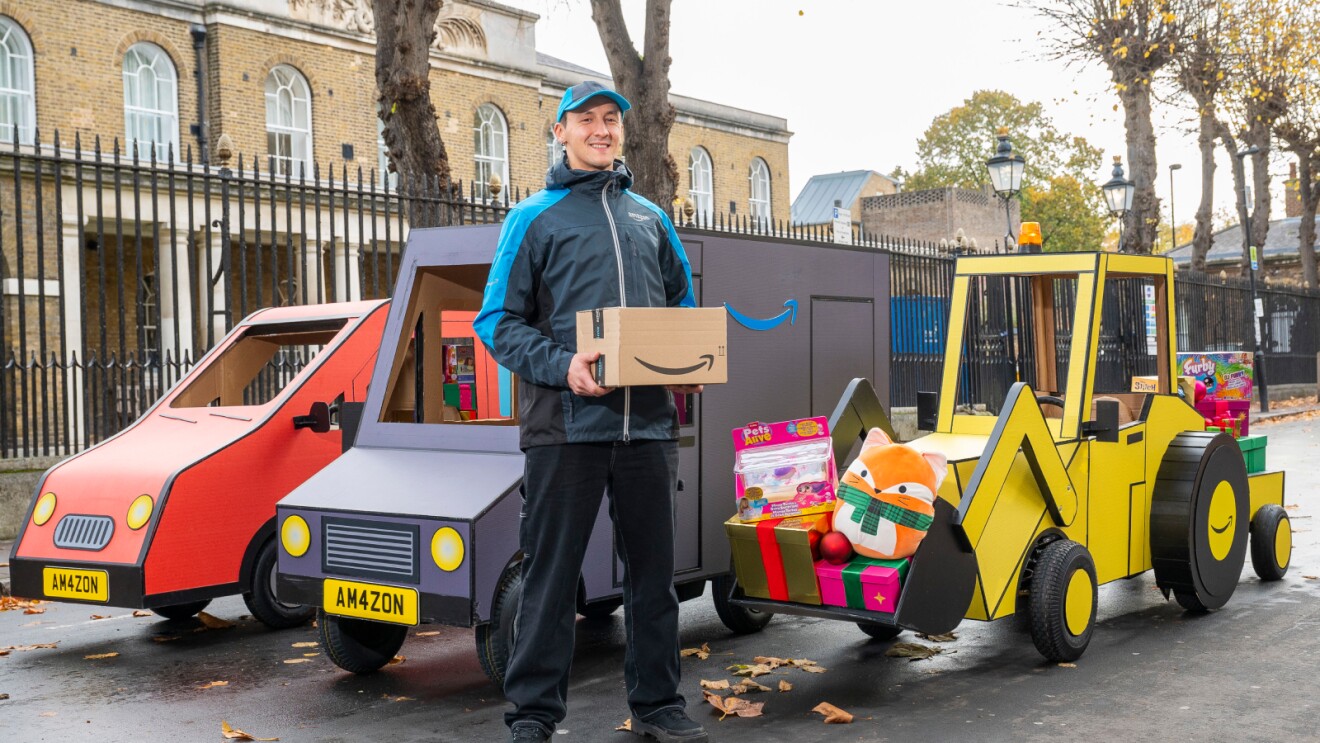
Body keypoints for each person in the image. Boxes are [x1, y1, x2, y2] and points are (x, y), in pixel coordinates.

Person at [474, 80, 709, 743]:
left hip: (649, 430)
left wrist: (686, 360)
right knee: (549, 582)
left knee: (655, 581)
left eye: (611, 119)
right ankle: (533, 717)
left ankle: (659, 705)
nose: (602, 129)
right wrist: (564, 364)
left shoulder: (649, 218)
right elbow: (497, 323)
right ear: (560, 131)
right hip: (564, 429)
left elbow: (681, 306)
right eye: (587, 120)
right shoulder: (533, 218)